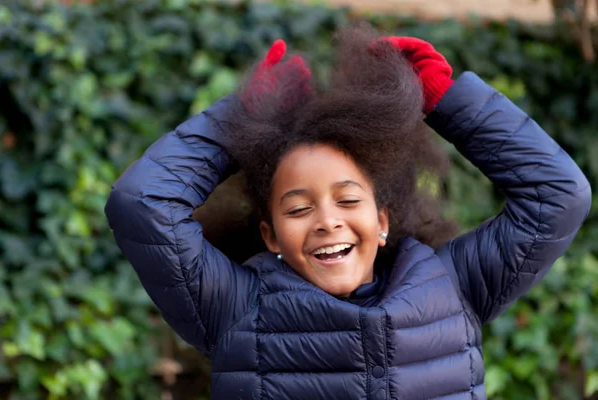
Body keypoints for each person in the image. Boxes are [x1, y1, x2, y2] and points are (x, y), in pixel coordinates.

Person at [105, 26, 591, 400]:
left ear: (382, 219)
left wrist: (446, 101)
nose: (326, 220)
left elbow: (558, 196)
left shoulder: (453, 284)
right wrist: (237, 119)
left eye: (348, 200)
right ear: (270, 235)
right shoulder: (234, 308)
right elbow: (142, 204)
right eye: (298, 208)